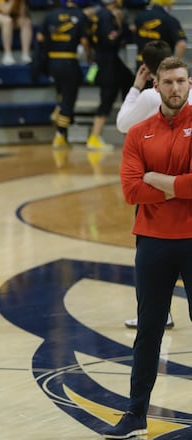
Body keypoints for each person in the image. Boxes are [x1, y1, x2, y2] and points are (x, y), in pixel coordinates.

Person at [102, 56, 192, 439]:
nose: (175, 88)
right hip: (152, 243)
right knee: (148, 332)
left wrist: (160, 182)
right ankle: (136, 413)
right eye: (168, 82)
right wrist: (180, 185)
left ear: (189, 84)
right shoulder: (139, 133)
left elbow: (146, 186)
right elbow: (130, 190)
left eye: (181, 81)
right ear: (156, 85)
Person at [115, 40, 180, 331]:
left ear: (146, 69)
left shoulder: (151, 96)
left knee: (155, 259)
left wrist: (134, 86)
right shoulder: (185, 92)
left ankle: (158, 312)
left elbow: (122, 123)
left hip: (158, 193)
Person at [37, 0, 90, 149]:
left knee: (61, 91)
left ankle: (58, 110)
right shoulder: (79, 15)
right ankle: (60, 134)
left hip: (52, 61)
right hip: (68, 60)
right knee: (69, 97)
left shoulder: (50, 15)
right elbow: (85, 41)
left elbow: (40, 38)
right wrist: (89, 54)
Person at [86, 0, 133, 149]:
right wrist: (122, 27)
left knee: (130, 83)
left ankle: (129, 130)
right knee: (107, 98)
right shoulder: (106, 16)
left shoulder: (97, 14)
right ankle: (94, 137)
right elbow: (111, 40)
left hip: (105, 59)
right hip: (108, 62)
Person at [132, 0, 185, 67]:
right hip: (162, 64)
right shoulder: (170, 20)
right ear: (167, 4)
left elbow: (133, 30)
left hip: (143, 62)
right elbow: (181, 44)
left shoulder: (139, 16)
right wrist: (175, 63)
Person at [0, 0, 33, 65]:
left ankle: (25, 54)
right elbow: (5, 12)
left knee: (26, 22)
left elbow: (22, 15)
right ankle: (7, 54)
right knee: (7, 21)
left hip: (13, 16)